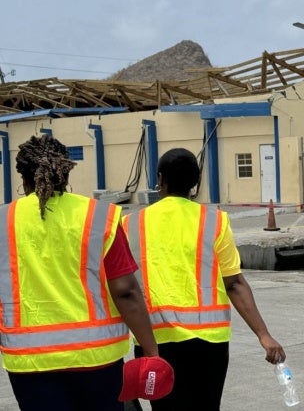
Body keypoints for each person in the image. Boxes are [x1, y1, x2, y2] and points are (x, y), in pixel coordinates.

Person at [0, 134, 161, 411]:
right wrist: (150, 350)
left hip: (30, 363)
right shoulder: (100, 216)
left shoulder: (4, 221)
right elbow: (126, 291)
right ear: (65, 171)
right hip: (97, 359)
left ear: (23, 180)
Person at [122, 147, 286, 410]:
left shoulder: (130, 224)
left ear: (160, 180)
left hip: (155, 341)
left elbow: (122, 289)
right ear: (195, 184)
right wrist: (263, 334)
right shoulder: (215, 221)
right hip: (210, 344)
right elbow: (234, 283)